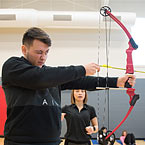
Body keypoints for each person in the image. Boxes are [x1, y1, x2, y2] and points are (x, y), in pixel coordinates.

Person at [2, 27, 136, 145]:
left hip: (52, 142)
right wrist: (82, 69)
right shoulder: (13, 67)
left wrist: (117, 81)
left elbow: (83, 81)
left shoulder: (51, 76)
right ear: (24, 49)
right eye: (39, 52)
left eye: (46, 52)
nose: (43, 57)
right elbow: (39, 78)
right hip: (21, 142)